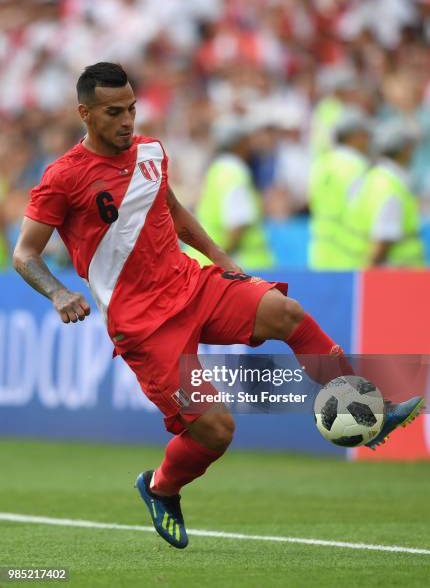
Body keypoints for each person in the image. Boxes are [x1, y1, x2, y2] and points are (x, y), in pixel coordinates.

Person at [13, 62, 423, 550]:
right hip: (145, 325)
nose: (127, 121)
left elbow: (174, 211)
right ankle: (162, 488)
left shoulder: (150, 152)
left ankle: (369, 409)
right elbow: (25, 253)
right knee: (215, 430)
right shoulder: (61, 178)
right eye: (113, 112)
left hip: (193, 284)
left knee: (286, 313)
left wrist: (225, 263)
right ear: (85, 113)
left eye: (132, 109)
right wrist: (58, 293)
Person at [185, 115, 273, 270]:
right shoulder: (235, 173)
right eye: (247, 139)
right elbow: (237, 225)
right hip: (242, 267)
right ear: (239, 143)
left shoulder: (217, 169)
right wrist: (224, 265)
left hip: (202, 262)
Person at [345, 120, 425, 267]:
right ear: (404, 150)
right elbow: (382, 241)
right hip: (397, 277)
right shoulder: (391, 187)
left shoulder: (372, 178)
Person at [309, 106, 372, 269]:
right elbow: (367, 212)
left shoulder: (321, 164)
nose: (369, 140)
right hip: (353, 258)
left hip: (321, 256)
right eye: (366, 134)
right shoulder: (358, 167)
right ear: (355, 136)